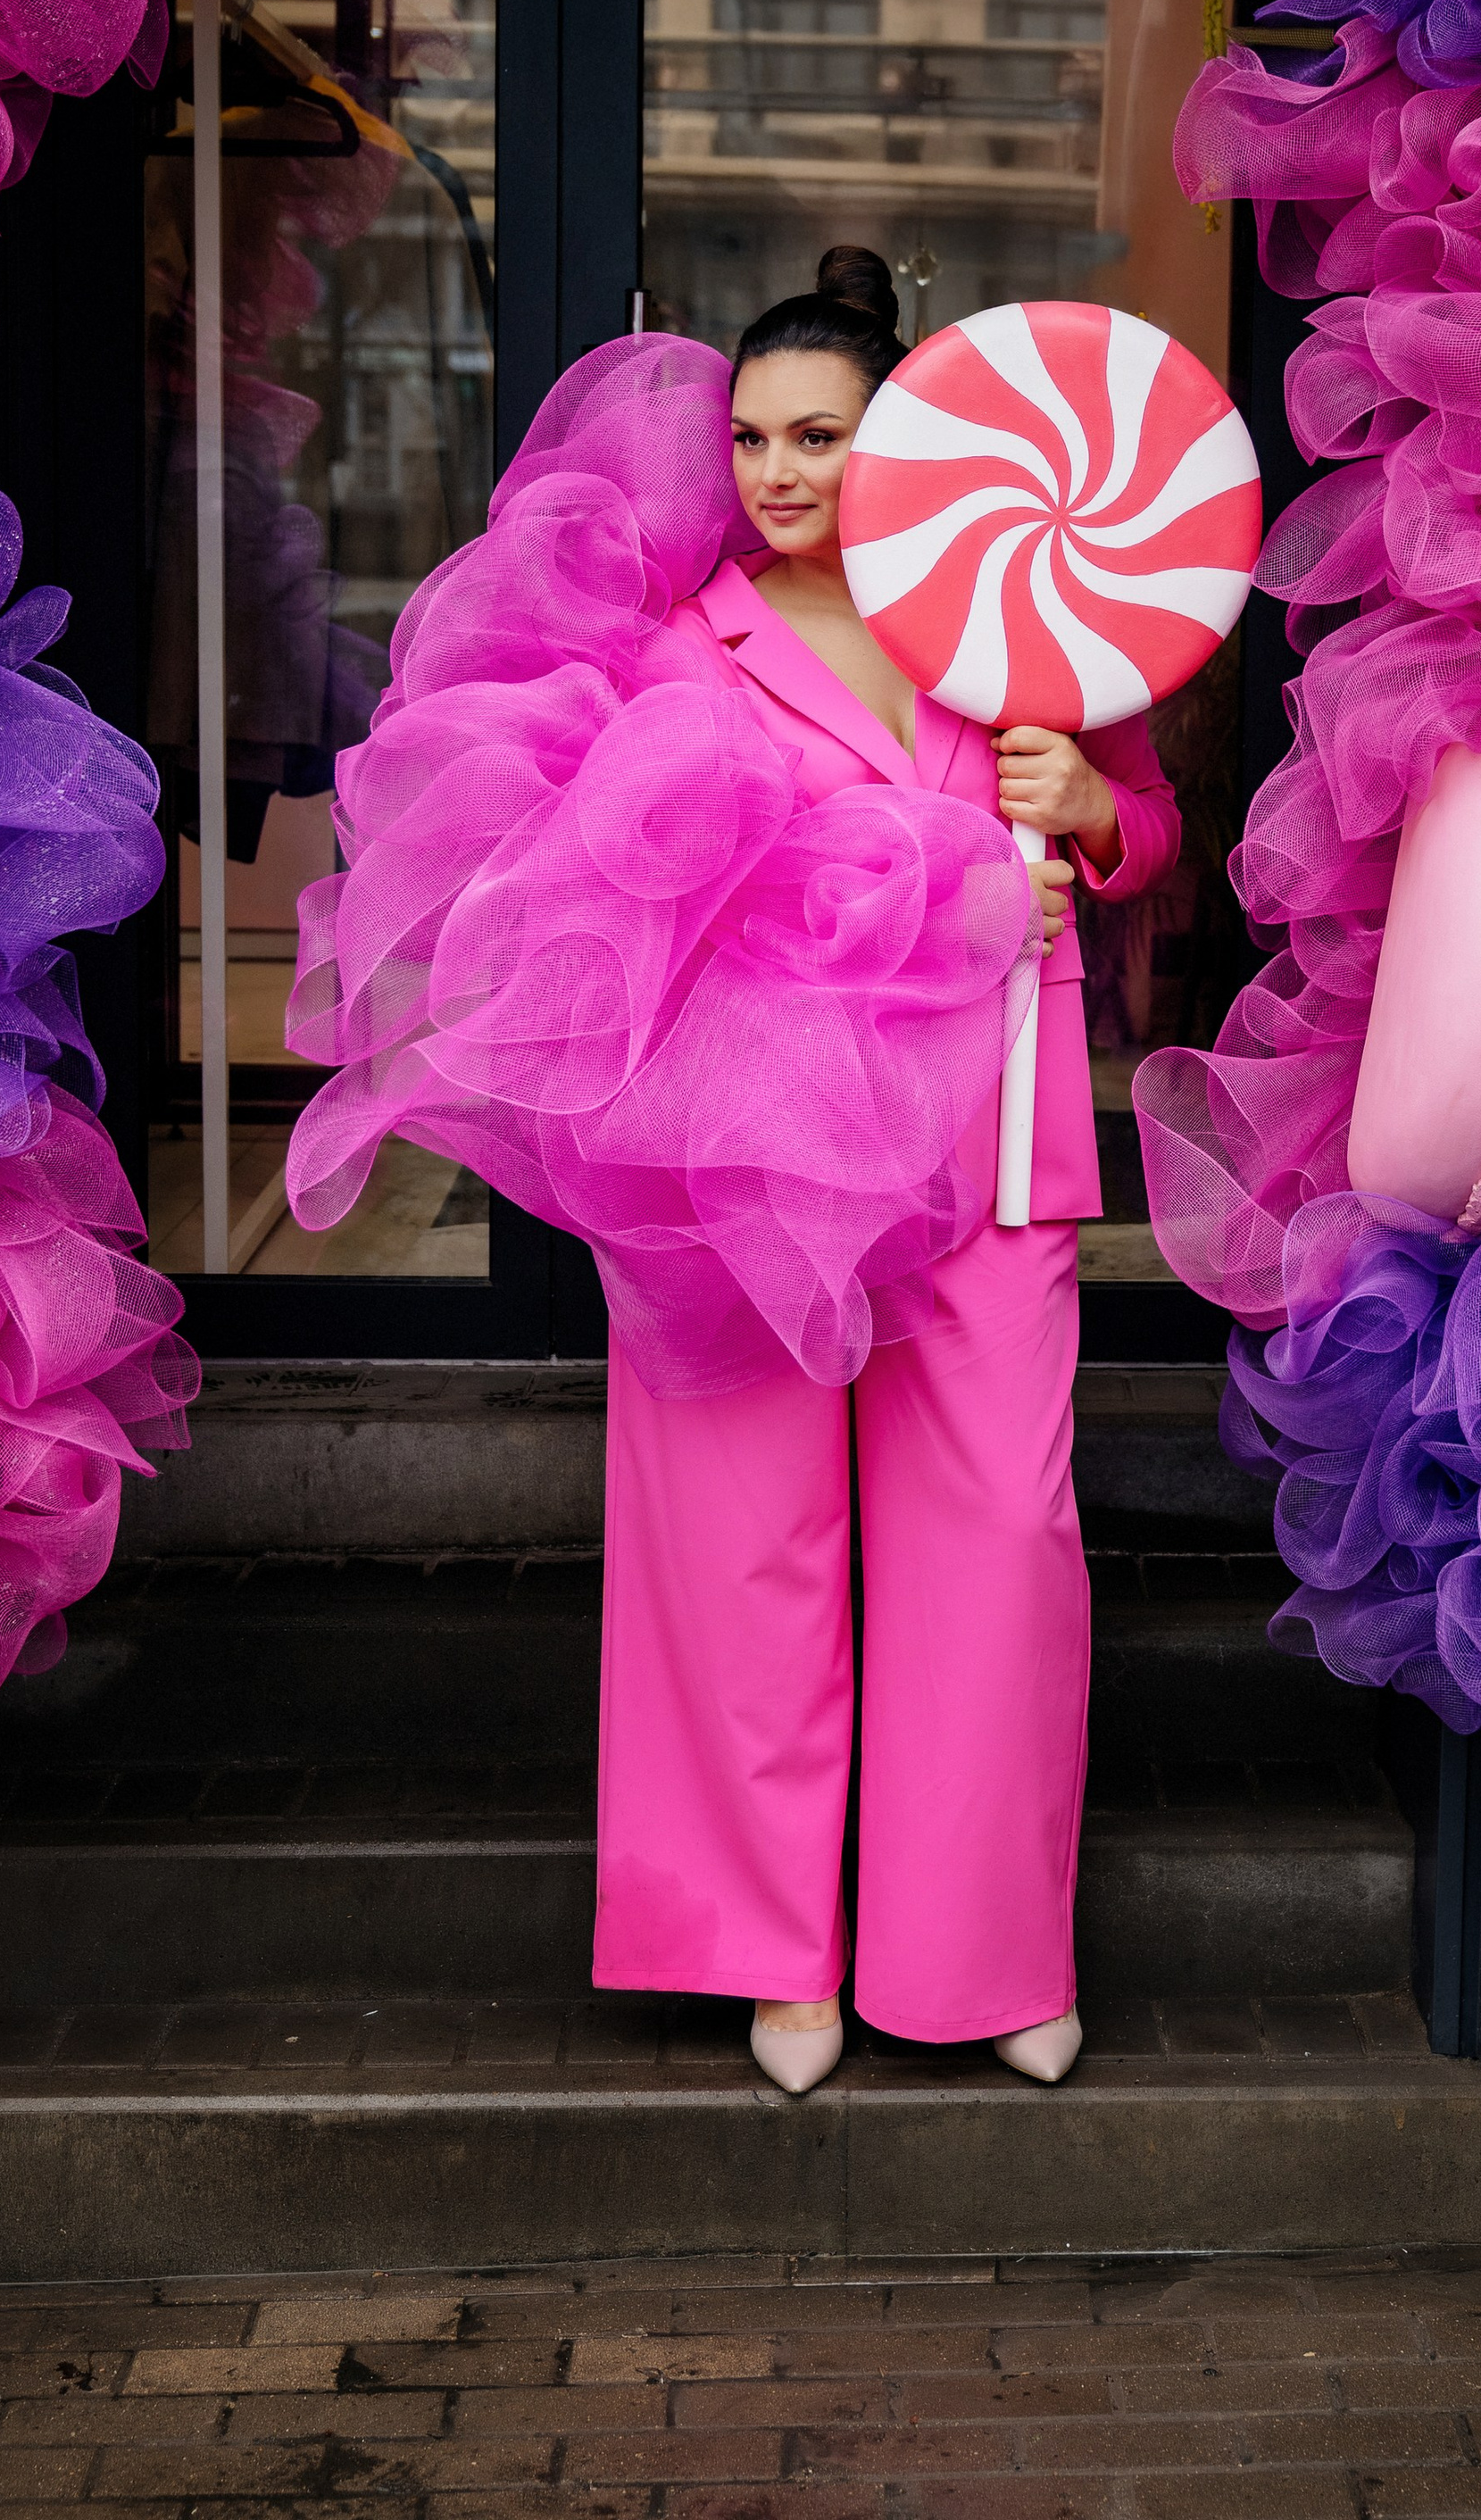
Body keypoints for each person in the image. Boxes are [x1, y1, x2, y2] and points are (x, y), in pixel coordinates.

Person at [590, 247, 1181, 2092]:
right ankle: (771, 1948)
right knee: (744, 1542)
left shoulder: (1022, 606)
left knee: (998, 1545)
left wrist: (1090, 812)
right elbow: (632, 890)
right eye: (753, 437)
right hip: (754, 1157)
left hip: (993, 1143)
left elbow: (1142, 824)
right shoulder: (685, 639)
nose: (775, 471)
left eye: (819, 436)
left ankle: (986, 1954)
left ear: (900, 439)